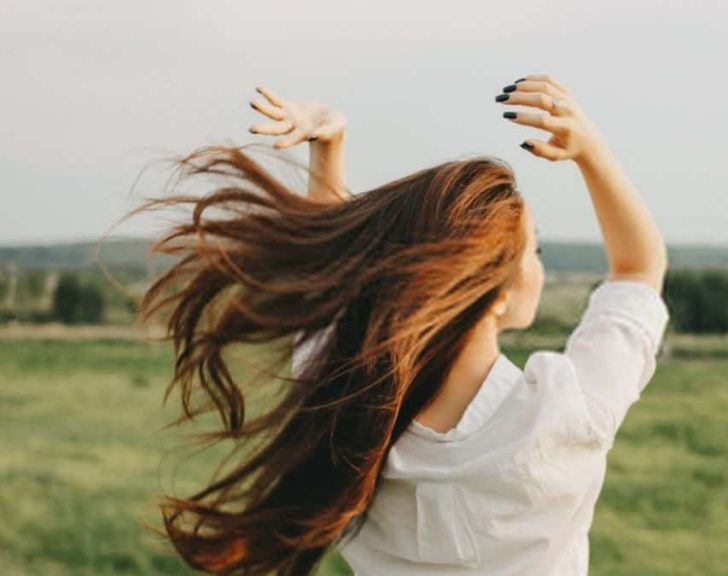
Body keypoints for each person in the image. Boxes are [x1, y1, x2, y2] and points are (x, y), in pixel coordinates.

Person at [134, 73, 669, 575]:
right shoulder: (566, 411)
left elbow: (333, 288)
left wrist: (329, 147)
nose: (539, 264)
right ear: (497, 293)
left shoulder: (346, 409)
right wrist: (591, 150)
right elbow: (638, 268)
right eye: (534, 250)